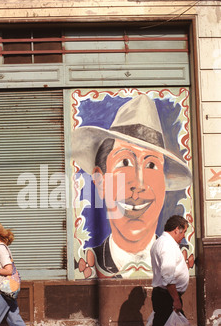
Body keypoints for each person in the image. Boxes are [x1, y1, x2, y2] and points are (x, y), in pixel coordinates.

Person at [72, 94, 192, 277]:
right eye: (124, 163)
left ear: (164, 184)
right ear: (101, 181)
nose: (139, 184)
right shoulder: (87, 261)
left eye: (151, 165)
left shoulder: (175, 257)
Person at [134, 215, 218, 326]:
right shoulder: (167, 246)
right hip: (167, 296)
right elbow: (167, 276)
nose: (184, 236)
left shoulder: (162, 242)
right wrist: (175, 299)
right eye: (184, 231)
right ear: (177, 229)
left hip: (166, 296)